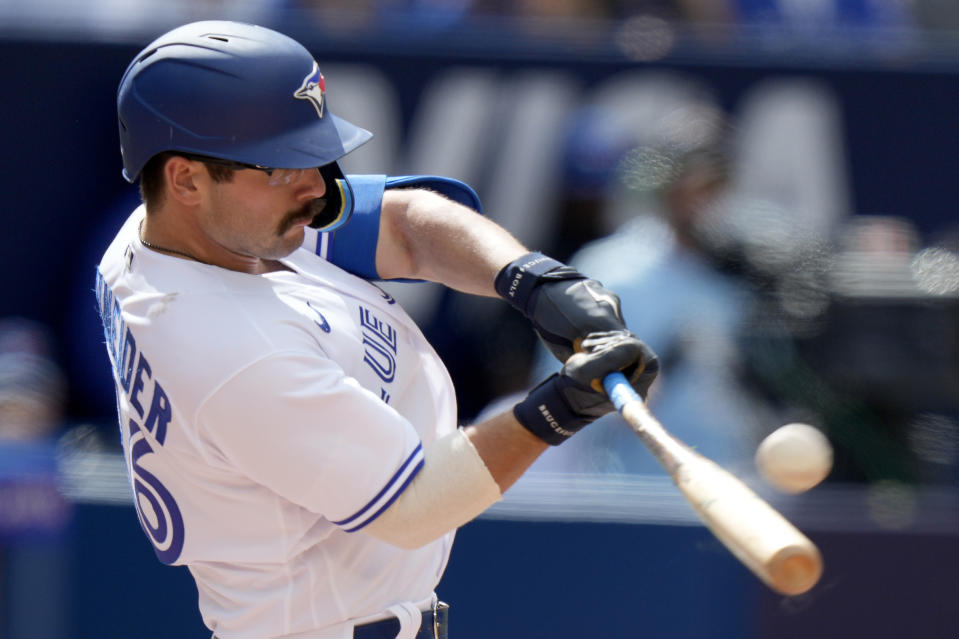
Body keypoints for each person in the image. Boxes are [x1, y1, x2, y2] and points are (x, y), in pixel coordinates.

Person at [94, 21, 657, 639]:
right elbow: (416, 507)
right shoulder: (227, 350)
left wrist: (536, 282)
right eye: (282, 166)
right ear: (186, 179)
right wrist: (556, 411)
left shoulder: (190, 230)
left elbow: (406, 224)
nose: (315, 186)